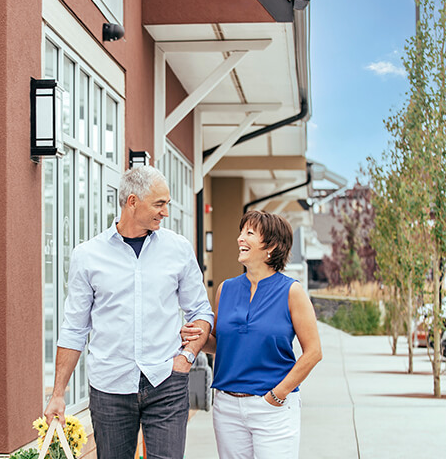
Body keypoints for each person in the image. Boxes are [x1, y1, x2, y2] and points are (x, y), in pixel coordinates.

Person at [44, 165, 214, 459]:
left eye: (167, 204)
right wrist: (58, 394)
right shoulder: (88, 256)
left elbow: (200, 310)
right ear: (132, 202)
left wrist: (186, 357)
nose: (165, 212)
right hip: (109, 386)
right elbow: (74, 328)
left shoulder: (178, 249)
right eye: (159, 204)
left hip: (166, 380)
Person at [182, 210, 322, 459]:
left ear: (273, 246)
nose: (240, 239)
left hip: (272, 408)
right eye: (241, 232)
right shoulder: (226, 289)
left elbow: (313, 353)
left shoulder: (292, 291)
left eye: (249, 233)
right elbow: (221, 344)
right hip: (227, 407)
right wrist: (199, 337)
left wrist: (278, 395)